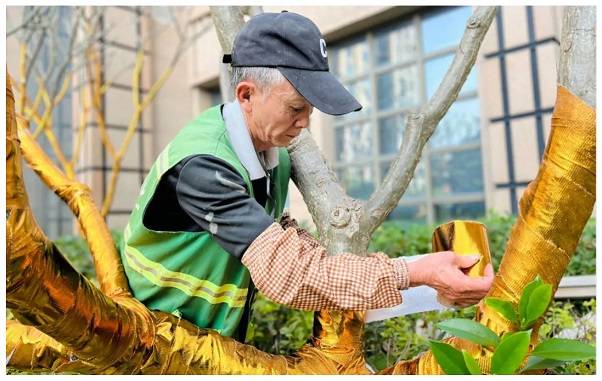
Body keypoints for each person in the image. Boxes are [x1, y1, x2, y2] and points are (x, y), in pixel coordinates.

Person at [120, 11, 494, 343]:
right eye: (296, 108)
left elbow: (297, 254)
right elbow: (290, 274)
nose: (305, 123)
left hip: (208, 340)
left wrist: (423, 278)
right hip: (156, 340)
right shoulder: (203, 168)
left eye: (310, 109)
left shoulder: (273, 155)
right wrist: (414, 272)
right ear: (246, 94)